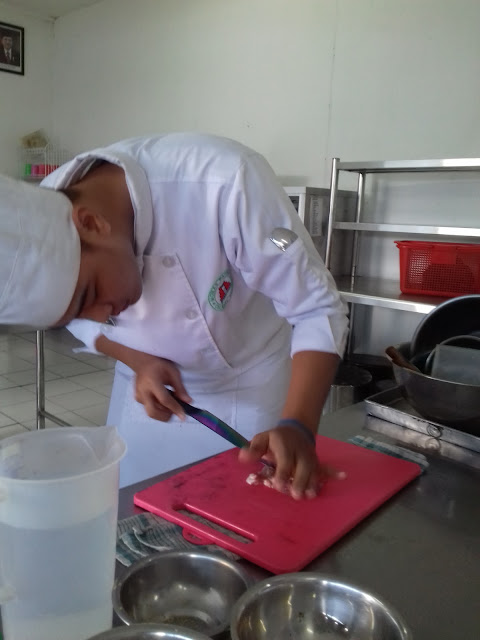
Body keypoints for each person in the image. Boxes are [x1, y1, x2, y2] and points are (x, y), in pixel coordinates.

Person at [0, 133, 348, 497]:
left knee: (249, 506)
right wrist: (138, 361)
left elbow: (315, 307)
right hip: (148, 395)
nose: (99, 316)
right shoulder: (38, 218)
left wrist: (298, 425)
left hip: (248, 383)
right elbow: (83, 322)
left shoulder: (224, 182)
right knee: (134, 508)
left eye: (91, 293)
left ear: (91, 224)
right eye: (76, 311)